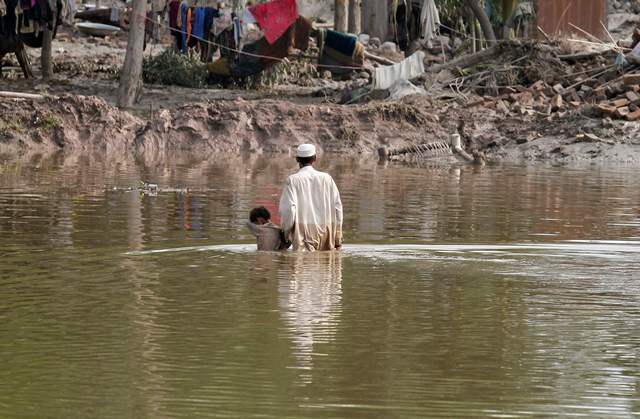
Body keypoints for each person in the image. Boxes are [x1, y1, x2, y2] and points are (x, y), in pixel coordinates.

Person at [279, 144, 343, 251]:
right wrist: (337, 238)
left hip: (303, 235)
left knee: (303, 261)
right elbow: (338, 208)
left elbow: (289, 210)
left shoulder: (292, 180)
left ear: (297, 159)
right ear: (315, 159)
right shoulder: (327, 179)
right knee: (326, 261)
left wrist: (285, 235)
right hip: (326, 232)